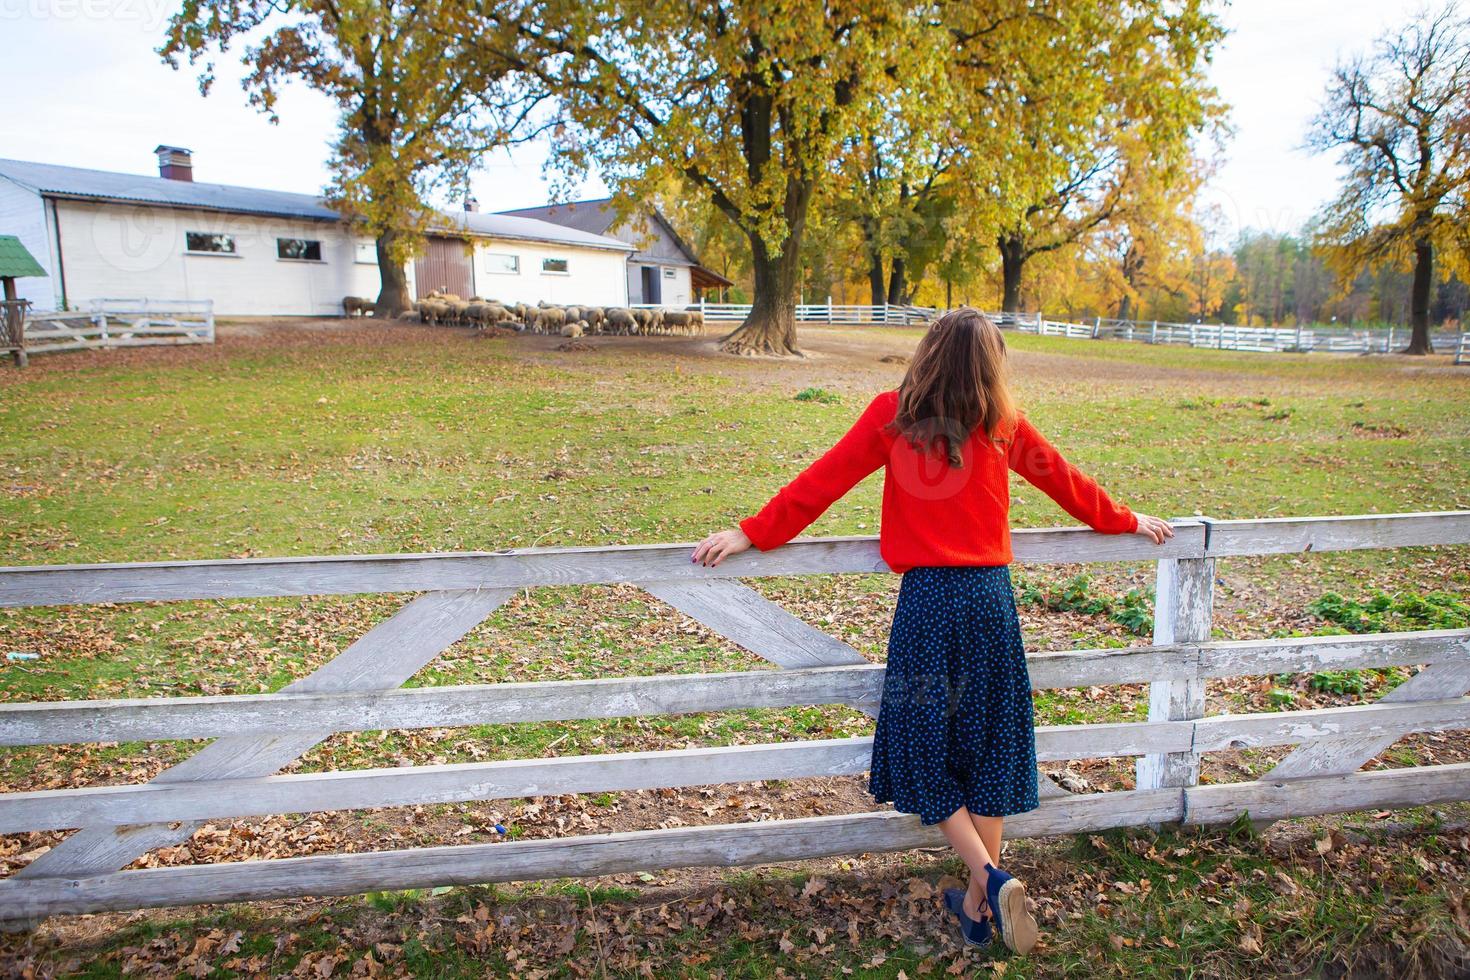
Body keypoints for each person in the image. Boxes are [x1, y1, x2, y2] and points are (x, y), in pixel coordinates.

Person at [691, 307, 1173, 955]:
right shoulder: (1003, 424)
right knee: (991, 746)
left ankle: (989, 880)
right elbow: (1068, 485)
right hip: (991, 605)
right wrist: (1126, 518)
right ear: (991, 365)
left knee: (921, 746)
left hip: (927, 606)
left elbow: (820, 484)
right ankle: (980, 910)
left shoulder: (891, 416)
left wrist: (752, 531)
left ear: (928, 353)